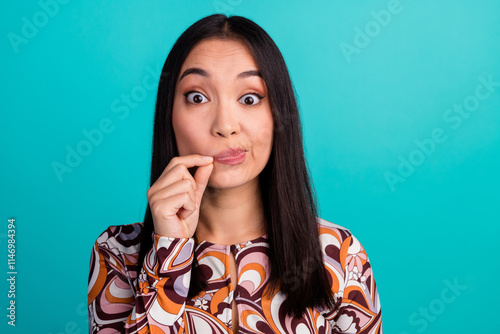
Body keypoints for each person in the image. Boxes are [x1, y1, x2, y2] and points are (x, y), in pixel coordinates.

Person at [87, 14, 382, 334]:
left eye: (250, 98)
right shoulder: (117, 252)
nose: (225, 125)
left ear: (278, 115)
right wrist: (168, 251)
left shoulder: (339, 254)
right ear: (169, 116)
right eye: (197, 97)